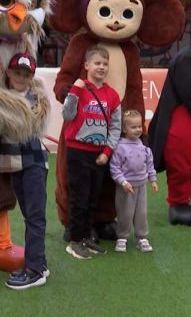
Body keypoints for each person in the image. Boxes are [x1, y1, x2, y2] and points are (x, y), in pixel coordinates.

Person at [62, 46, 122, 259]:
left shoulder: (112, 95)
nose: (101, 67)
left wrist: (107, 151)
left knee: (92, 199)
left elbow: (116, 126)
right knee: (79, 198)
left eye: (105, 64)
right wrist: (75, 91)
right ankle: (75, 241)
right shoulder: (78, 89)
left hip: (99, 155)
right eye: (97, 63)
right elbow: (67, 115)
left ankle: (86, 236)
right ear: (87, 65)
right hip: (78, 152)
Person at [0, 52, 50, 290]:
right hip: (14, 163)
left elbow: (4, 124)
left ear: (32, 77)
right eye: (17, 73)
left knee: (35, 217)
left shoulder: (36, 99)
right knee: (30, 216)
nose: (21, 77)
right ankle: (39, 262)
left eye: (26, 74)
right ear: (9, 72)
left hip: (34, 163)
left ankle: (34, 270)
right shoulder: (0, 96)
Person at [109, 110, 159, 253]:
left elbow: (149, 164)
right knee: (125, 213)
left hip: (141, 186)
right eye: (133, 127)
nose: (138, 129)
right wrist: (123, 182)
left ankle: (142, 237)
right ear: (124, 129)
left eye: (139, 126)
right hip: (126, 188)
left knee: (141, 213)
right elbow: (115, 168)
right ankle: (122, 237)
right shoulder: (120, 148)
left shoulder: (144, 147)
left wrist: (153, 180)